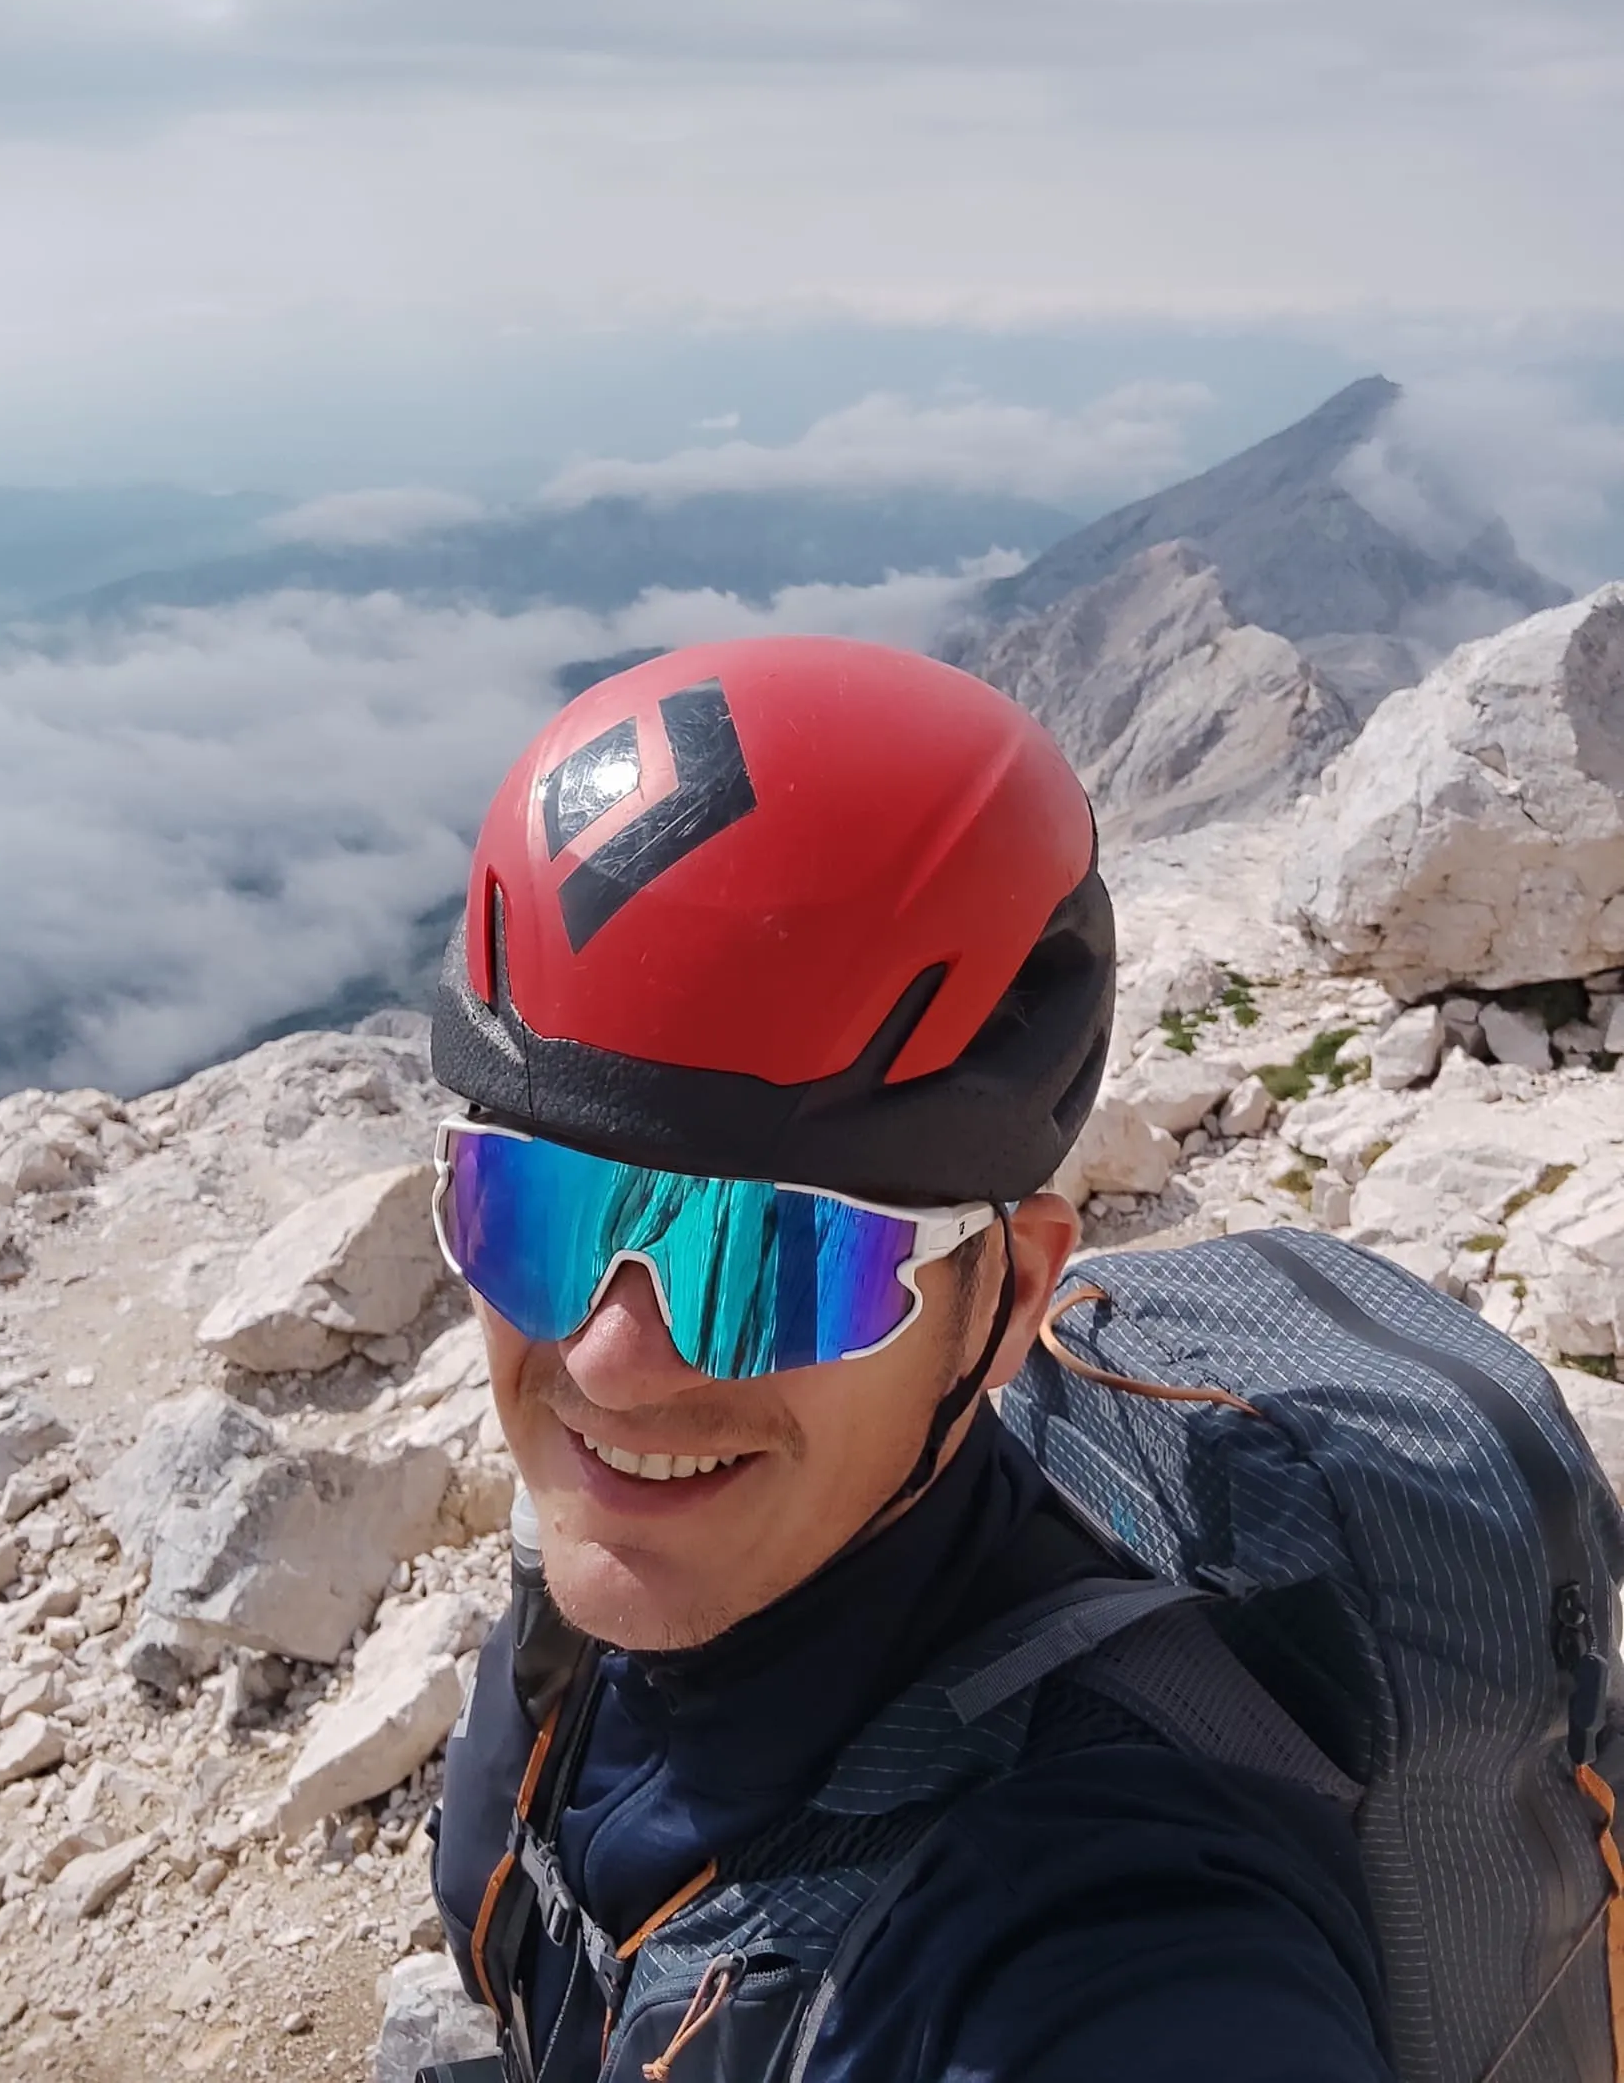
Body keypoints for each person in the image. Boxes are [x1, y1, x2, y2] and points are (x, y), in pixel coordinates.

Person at [425, 635, 1391, 2083]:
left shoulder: (1104, 1923)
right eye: (534, 1215)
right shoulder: (595, 1609)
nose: (613, 1362)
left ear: (1007, 1297)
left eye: (771, 1265)